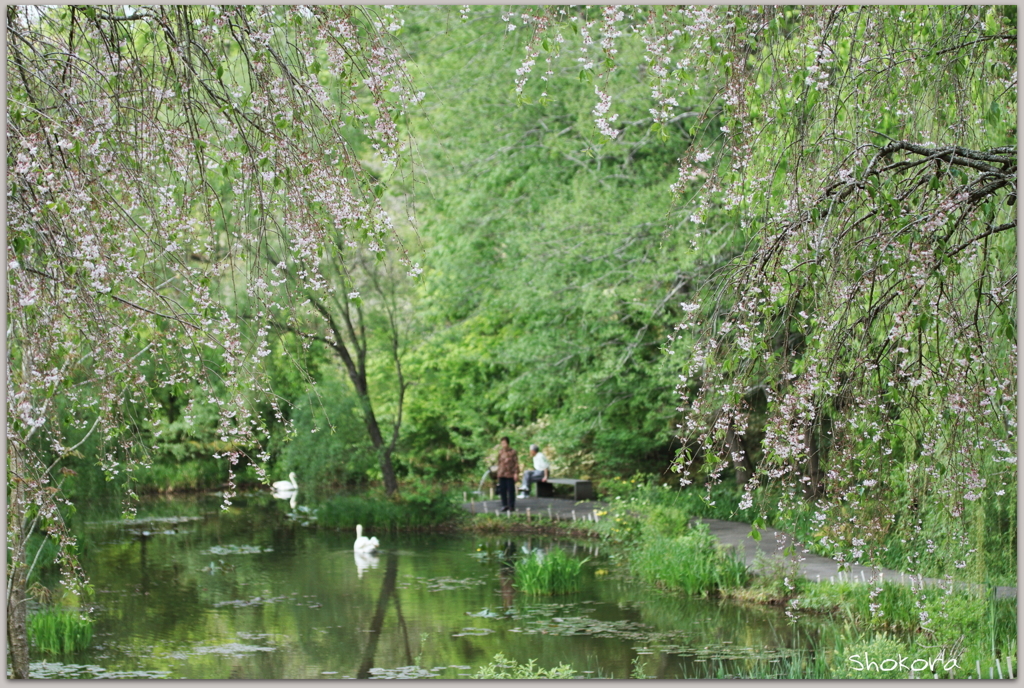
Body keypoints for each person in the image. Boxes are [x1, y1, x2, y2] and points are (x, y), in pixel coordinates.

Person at [495, 436, 519, 512]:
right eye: (502, 443)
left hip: (510, 473)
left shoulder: (513, 452)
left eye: (504, 443)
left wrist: (516, 473)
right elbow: (499, 462)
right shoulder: (500, 452)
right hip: (502, 473)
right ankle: (504, 505)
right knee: (503, 490)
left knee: (511, 490)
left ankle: (511, 505)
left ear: (507, 443)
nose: (503, 444)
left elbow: (516, 463)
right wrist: (497, 472)